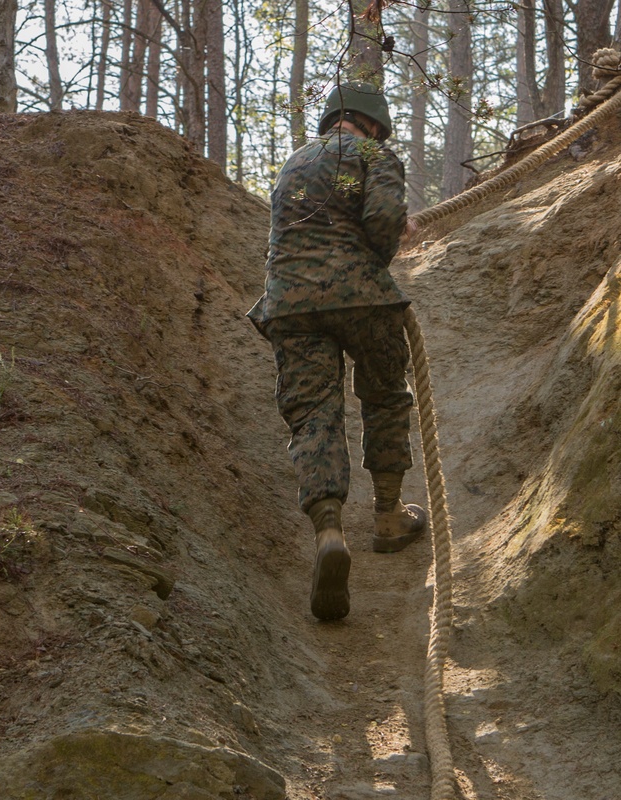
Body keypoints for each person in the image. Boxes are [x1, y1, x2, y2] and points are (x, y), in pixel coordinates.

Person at [246, 82, 426, 622]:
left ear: (331, 120)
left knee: (312, 414)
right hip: (363, 298)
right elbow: (380, 222)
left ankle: (329, 528)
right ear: (374, 124)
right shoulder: (375, 155)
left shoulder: (295, 162)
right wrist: (396, 236)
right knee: (385, 396)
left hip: (291, 305)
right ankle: (389, 516)